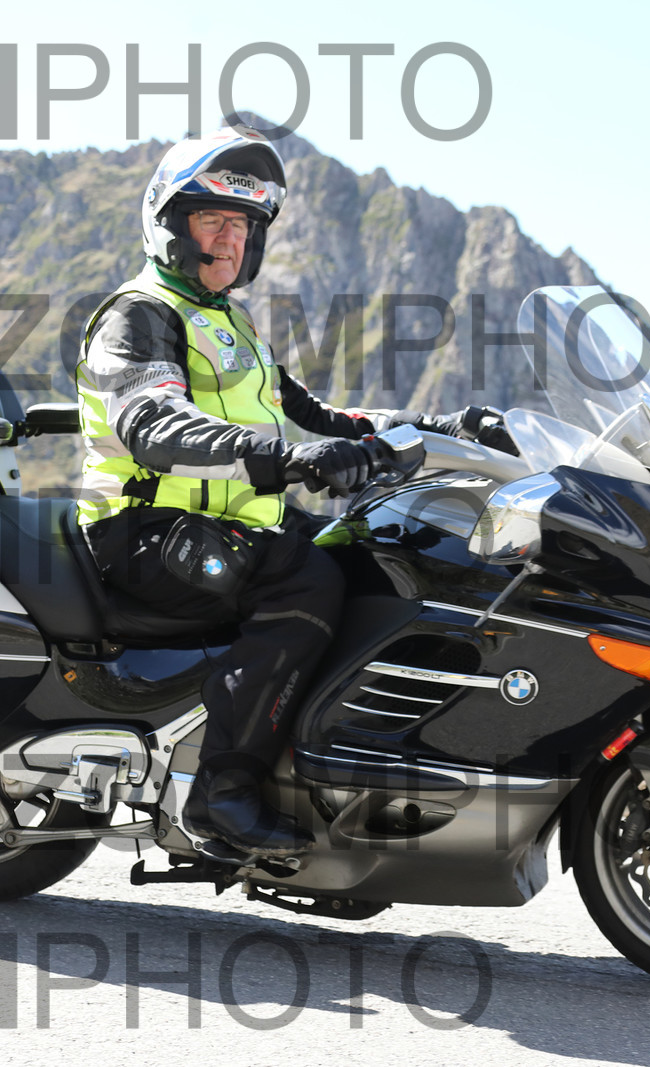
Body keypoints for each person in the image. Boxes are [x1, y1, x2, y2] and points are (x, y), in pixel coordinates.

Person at [75, 126, 509, 857]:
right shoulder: (139, 314)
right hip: (143, 528)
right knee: (303, 583)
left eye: (243, 226)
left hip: (223, 526)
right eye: (213, 220)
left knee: (374, 554)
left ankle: (335, 755)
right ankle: (224, 793)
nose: (230, 240)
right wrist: (283, 459)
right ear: (170, 224)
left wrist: (439, 427)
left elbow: (319, 415)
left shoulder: (230, 322)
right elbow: (153, 422)